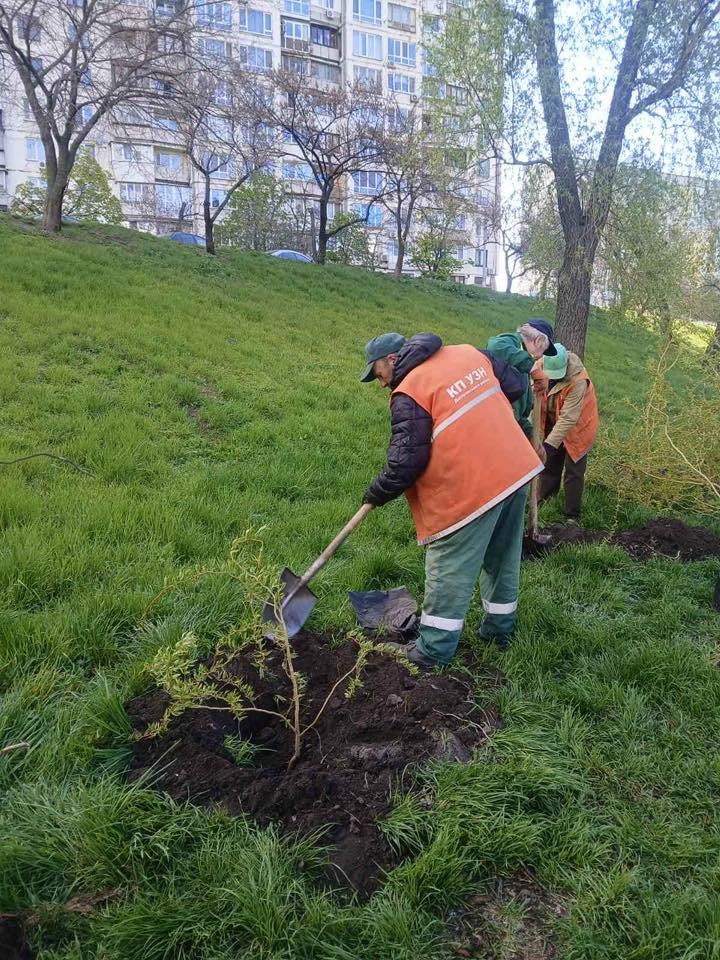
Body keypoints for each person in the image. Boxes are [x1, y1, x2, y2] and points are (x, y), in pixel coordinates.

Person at [360, 331, 544, 668]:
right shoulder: (466, 352)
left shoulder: (410, 390)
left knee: (448, 564)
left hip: (472, 486)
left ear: (391, 360)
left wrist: (376, 492)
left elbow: (405, 463)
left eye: (378, 374)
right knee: (502, 557)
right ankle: (498, 631)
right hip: (515, 467)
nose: (381, 383)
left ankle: (432, 651)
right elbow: (516, 387)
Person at [537, 344, 599, 524]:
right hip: (552, 418)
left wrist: (547, 446)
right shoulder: (541, 364)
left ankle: (572, 515)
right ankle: (545, 502)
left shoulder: (578, 380)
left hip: (578, 426)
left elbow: (568, 419)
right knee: (550, 463)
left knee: (574, 470)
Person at [485, 318, 557, 441]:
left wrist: (532, 437)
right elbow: (495, 346)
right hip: (492, 423)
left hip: (509, 427)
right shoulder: (513, 342)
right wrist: (534, 369)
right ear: (538, 340)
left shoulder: (525, 367)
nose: (540, 356)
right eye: (543, 350)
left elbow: (520, 414)